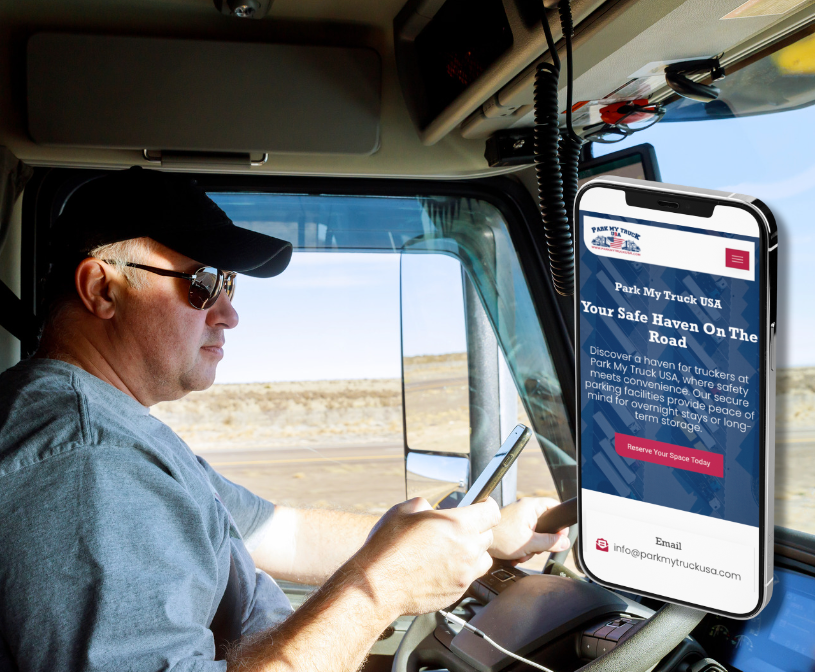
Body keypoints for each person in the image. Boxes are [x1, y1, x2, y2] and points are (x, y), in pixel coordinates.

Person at [0, 167, 571, 671]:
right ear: (103, 288)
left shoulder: (119, 433)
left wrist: (485, 536)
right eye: (202, 284)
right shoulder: (87, 461)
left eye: (228, 284)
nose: (229, 313)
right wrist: (381, 591)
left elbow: (285, 535)